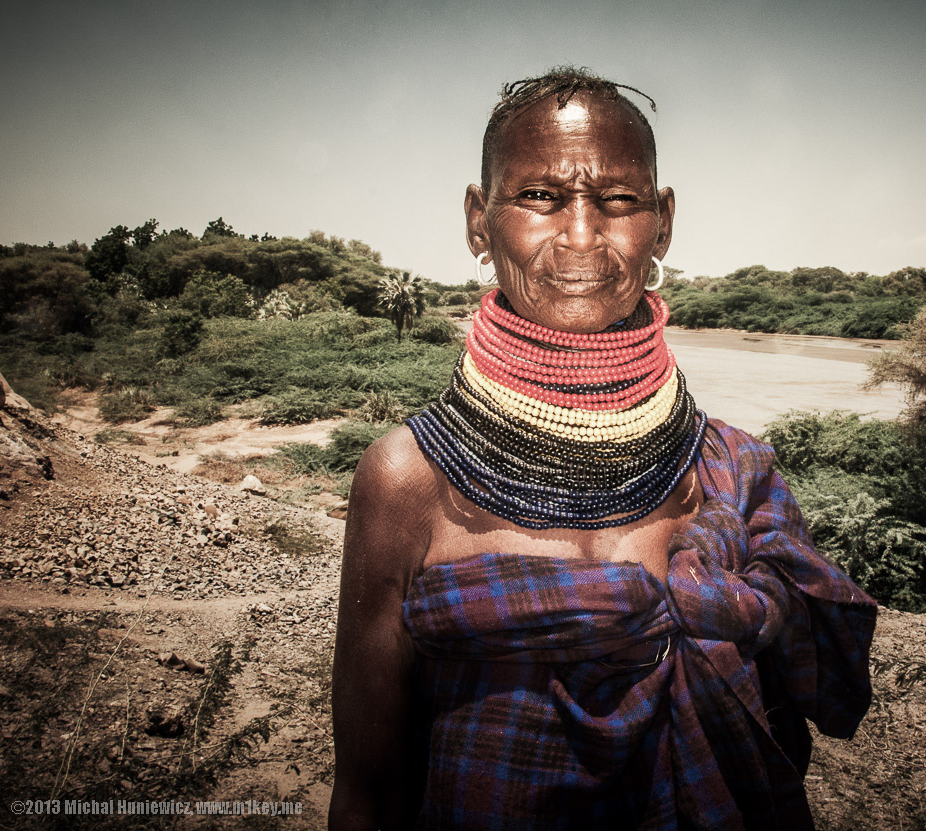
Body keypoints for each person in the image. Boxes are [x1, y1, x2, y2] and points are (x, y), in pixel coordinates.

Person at [329, 68, 876, 831]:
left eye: (619, 201)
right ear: (478, 222)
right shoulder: (406, 480)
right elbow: (367, 798)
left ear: (664, 222)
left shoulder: (734, 470)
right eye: (539, 196)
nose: (582, 237)